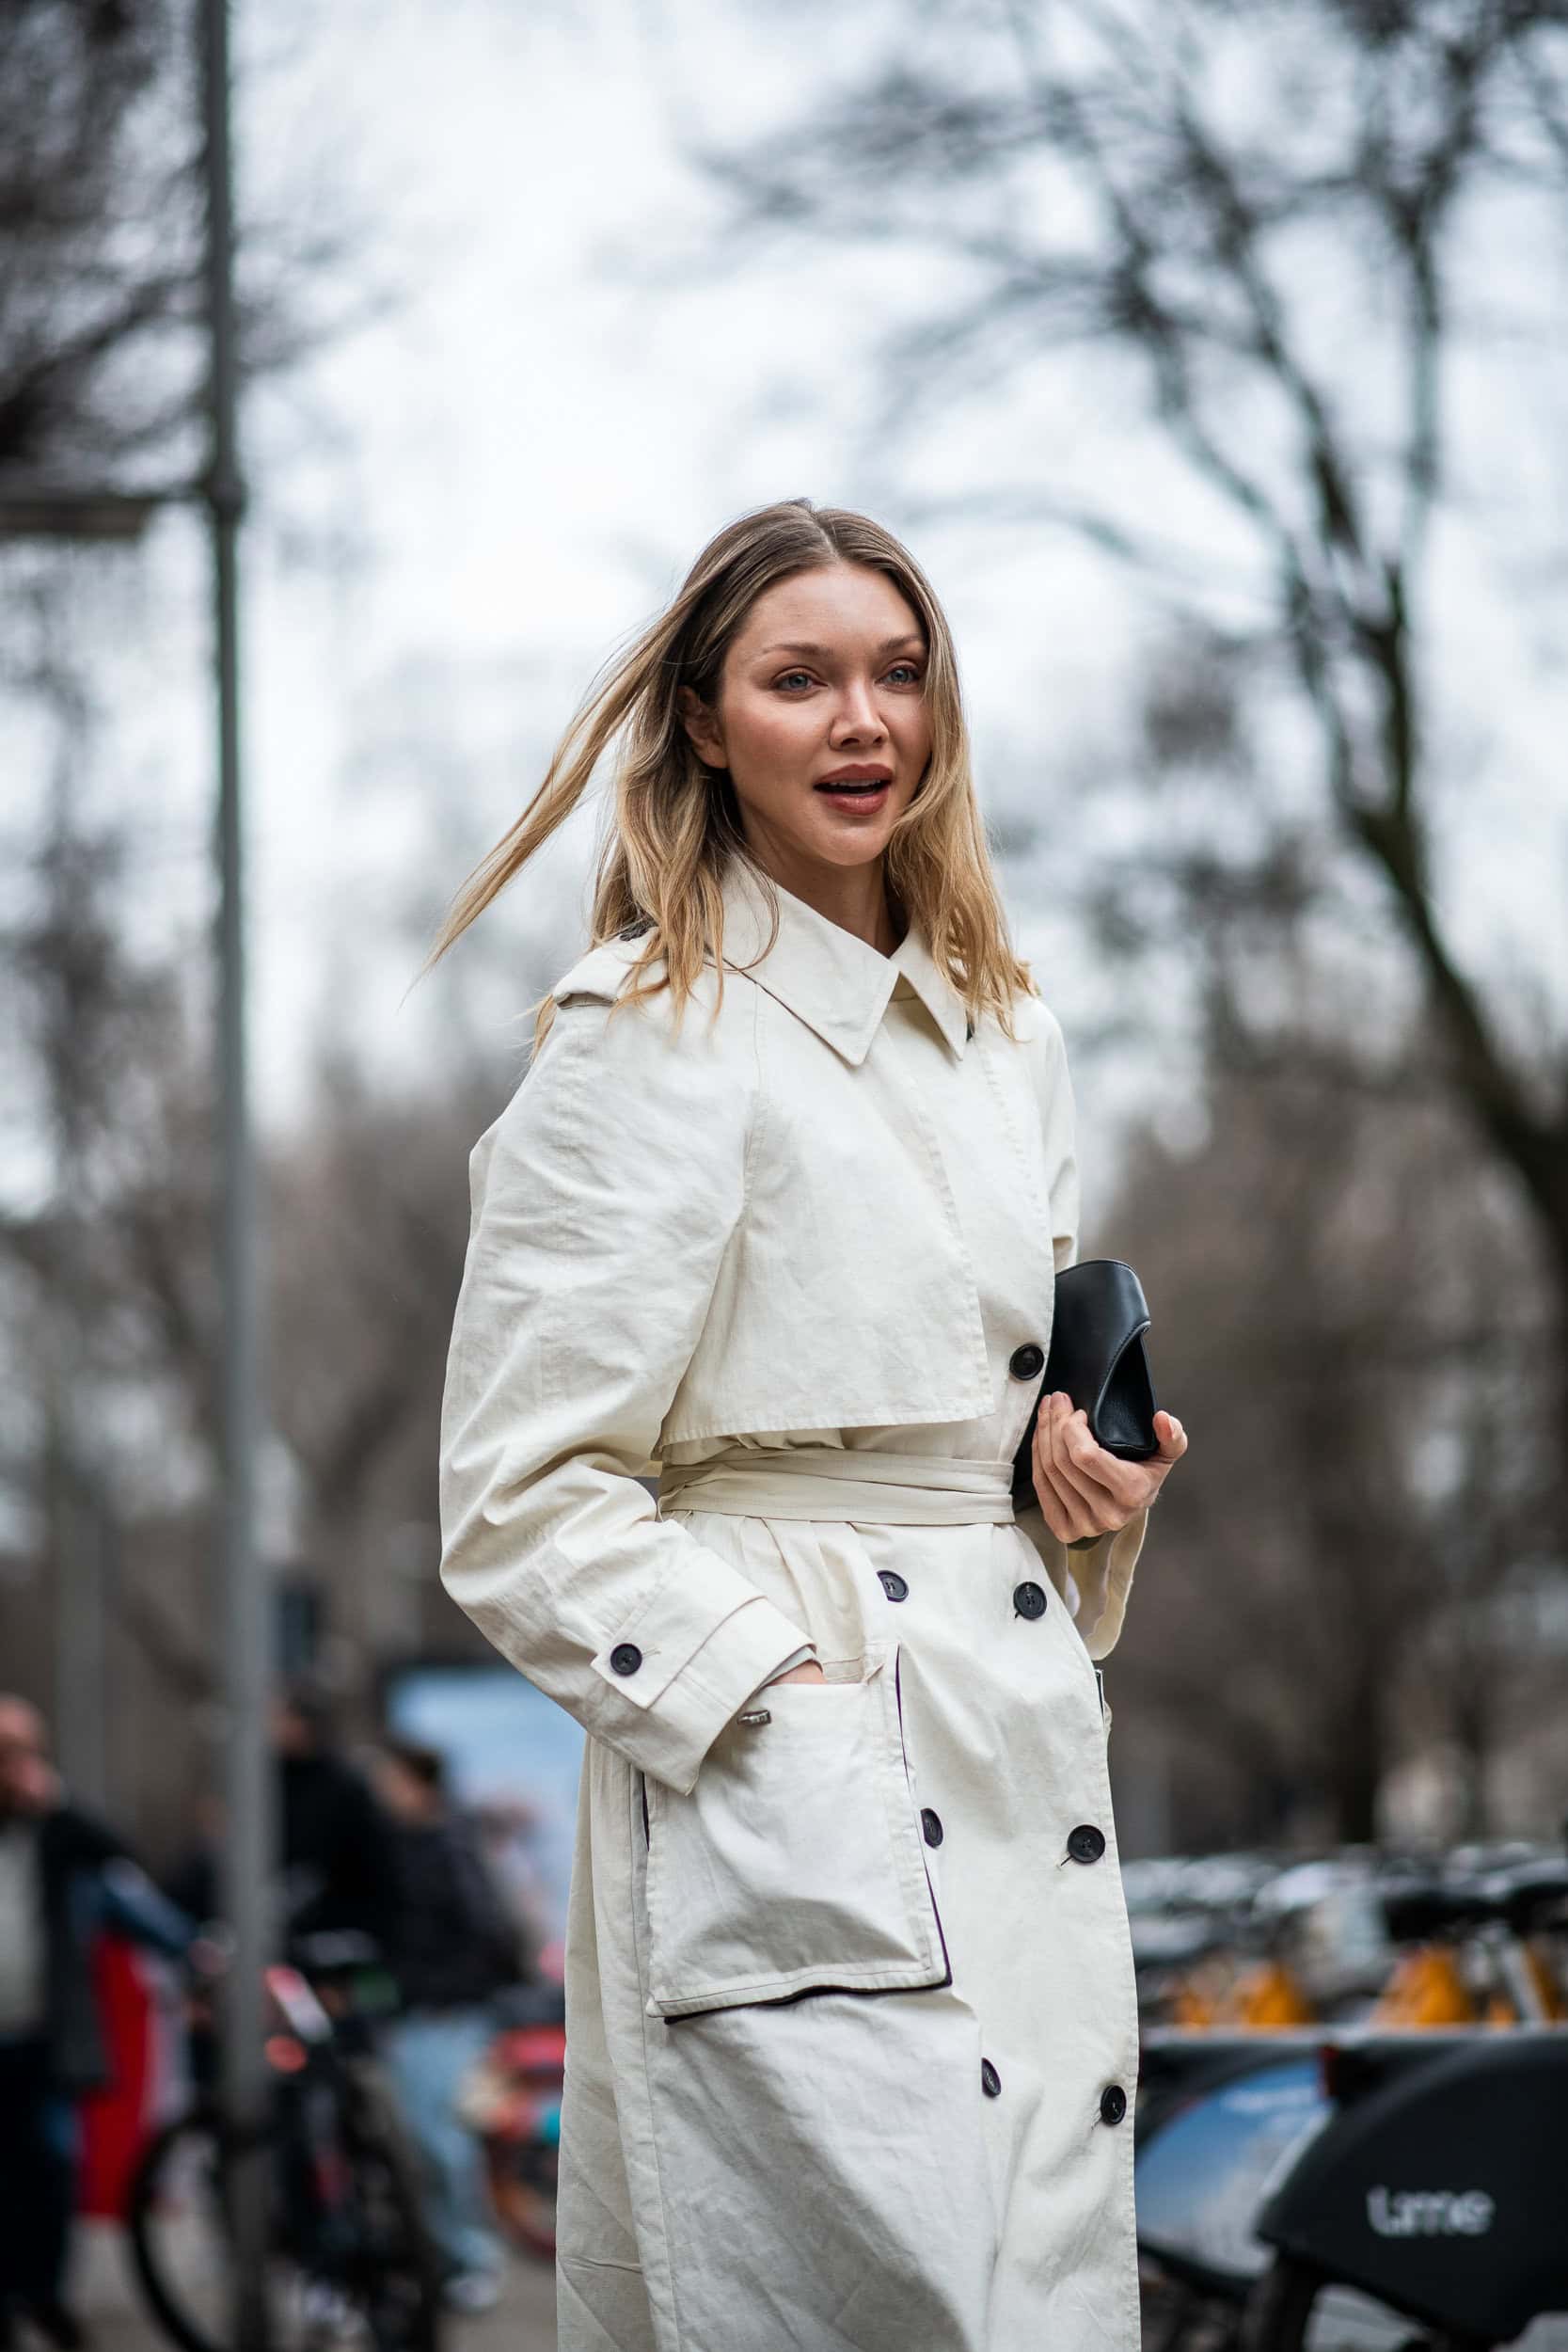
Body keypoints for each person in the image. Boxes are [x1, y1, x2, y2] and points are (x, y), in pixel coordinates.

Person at [427, 500, 1190, 2351]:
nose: (862, 720)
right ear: (704, 721)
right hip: (789, 1771)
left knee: (1037, 2300)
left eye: (896, 672)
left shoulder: (1008, 1034)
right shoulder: (642, 1037)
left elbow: (961, 1422)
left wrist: (1070, 1484)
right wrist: (774, 1705)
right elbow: (515, 1498)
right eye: (799, 677)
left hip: (1011, 1749)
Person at [0, 1696, 193, 2352]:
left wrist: (56, 1801)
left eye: (22, 1752)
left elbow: (123, 1862)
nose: (12, 1767)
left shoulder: (57, 1836)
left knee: (50, 2170)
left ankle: (44, 2295)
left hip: (40, 2036)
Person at [374, 1740, 522, 2312]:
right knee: (417, 2140)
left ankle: (473, 2257)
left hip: (448, 2014)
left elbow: (487, 1933)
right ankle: (442, 2257)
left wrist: (443, 1989)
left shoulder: (450, 1846)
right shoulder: (404, 1846)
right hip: (415, 2012)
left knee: (441, 2140)